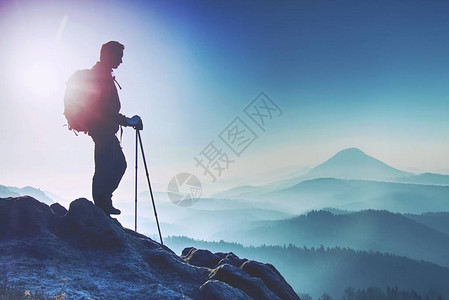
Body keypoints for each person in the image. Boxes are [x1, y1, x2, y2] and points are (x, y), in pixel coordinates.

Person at [88, 41, 142, 215]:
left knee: (115, 165)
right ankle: (102, 206)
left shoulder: (102, 75)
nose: (121, 61)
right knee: (109, 167)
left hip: (103, 130)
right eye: (119, 56)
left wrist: (126, 121)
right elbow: (103, 110)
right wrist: (128, 121)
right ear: (108, 55)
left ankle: (103, 204)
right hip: (102, 130)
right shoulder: (100, 77)